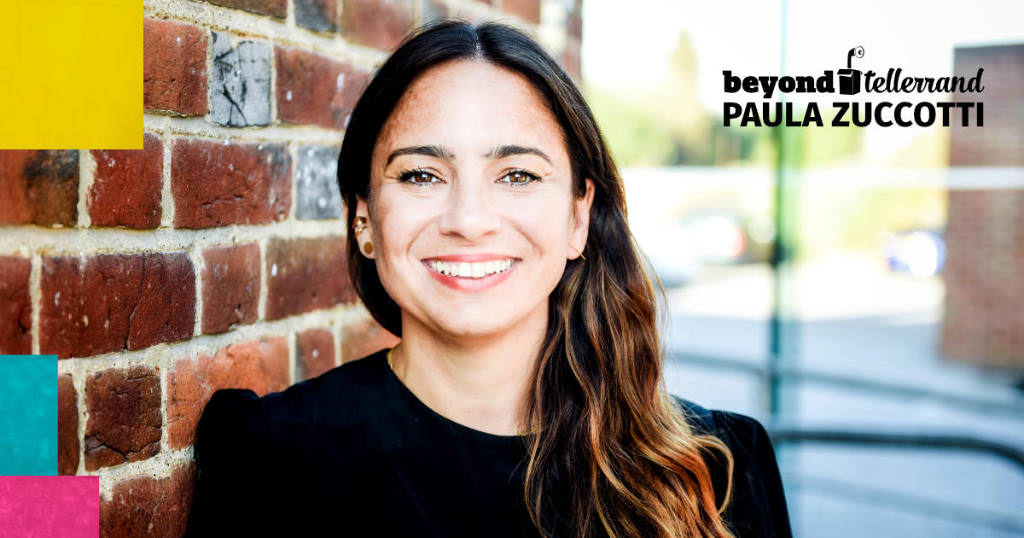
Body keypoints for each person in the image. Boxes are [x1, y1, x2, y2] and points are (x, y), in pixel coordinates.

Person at [184, 19, 792, 538]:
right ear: (363, 218)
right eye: (421, 175)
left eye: (518, 176)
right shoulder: (274, 458)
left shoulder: (720, 470)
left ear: (578, 217)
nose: (469, 221)